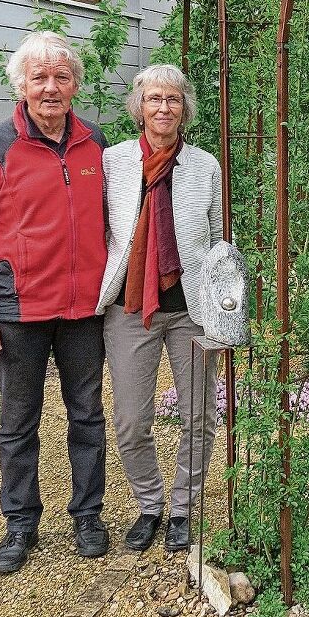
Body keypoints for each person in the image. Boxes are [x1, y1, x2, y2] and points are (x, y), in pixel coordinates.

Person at [0, 31, 109, 573]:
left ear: (75, 85)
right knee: (18, 424)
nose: (50, 88)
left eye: (61, 77)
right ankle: (20, 523)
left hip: (84, 310)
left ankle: (88, 515)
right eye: (39, 77)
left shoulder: (98, 145)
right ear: (20, 84)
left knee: (87, 417)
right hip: (17, 311)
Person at [96, 64, 222, 552]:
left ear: (184, 109)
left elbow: (215, 242)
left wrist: (223, 309)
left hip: (190, 307)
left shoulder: (204, 165)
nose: (163, 107)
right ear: (139, 107)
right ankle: (150, 504)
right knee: (130, 418)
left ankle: (185, 508)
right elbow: (103, 231)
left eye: (172, 99)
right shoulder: (114, 162)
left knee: (199, 415)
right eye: (154, 99)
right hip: (130, 307)